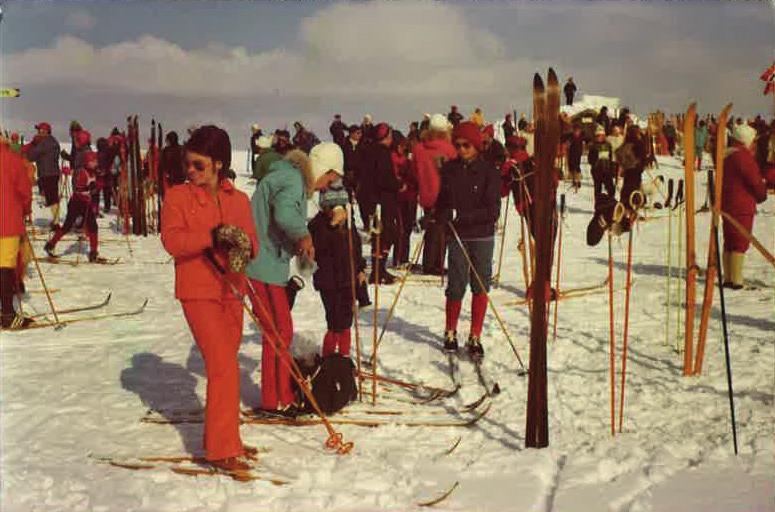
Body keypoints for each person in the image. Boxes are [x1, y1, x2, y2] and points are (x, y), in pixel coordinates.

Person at [161, 125, 258, 471]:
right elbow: (172, 242)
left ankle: (228, 436)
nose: (190, 171)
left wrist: (241, 247)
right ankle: (220, 450)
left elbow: (252, 244)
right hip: (197, 291)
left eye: (198, 165)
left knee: (225, 366)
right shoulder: (178, 197)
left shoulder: (239, 200)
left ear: (219, 164)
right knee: (223, 366)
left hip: (232, 290)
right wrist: (211, 236)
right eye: (188, 164)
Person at [420, 122, 500, 359]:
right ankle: (450, 331)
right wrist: (441, 213)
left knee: (480, 284)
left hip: (482, 235)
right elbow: (442, 200)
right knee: (456, 285)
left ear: (476, 145)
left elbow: (492, 210)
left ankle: (475, 335)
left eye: (466, 145)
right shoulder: (450, 169)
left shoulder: (489, 171)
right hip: (457, 236)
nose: (462, 149)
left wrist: (462, 217)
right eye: (458, 145)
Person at [245, 148, 314, 416]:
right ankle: (278, 397)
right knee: (280, 330)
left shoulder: (280, 175)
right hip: (265, 265)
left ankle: (274, 397)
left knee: (274, 331)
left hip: (263, 262)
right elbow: (285, 215)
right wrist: (303, 235)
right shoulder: (293, 179)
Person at [307, 142, 366, 357]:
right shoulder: (317, 226)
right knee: (335, 322)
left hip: (348, 279)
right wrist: (330, 225)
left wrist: (360, 268)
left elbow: (356, 247)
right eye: (333, 208)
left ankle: (343, 357)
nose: (337, 213)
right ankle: (330, 358)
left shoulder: (349, 226)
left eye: (340, 208)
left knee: (347, 321)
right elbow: (316, 251)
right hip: (329, 282)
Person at [720, 124, 768, 290]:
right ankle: (737, 280)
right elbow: (754, 180)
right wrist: (762, 193)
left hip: (726, 203)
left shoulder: (726, 155)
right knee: (740, 241)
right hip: (742, 204)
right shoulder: (743, 157)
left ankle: (728, 277)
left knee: (730, 241)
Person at [413, 114, 457, 276]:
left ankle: (429, 263)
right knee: (443, 230)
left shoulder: (419, 148)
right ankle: (436, 264)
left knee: (432, 228)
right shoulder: (449, 149)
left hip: (426, 194)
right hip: (444, 194)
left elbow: (414, 171)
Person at [44, 151, 102, 262]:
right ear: (88, 162)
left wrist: (97, 185)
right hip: (76, 203)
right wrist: (90, 188)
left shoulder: (93, 172)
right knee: (67, 226)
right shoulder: (82, 173)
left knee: (93, 226)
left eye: (96, 161)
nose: (95, 163)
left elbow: (95, 186)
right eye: (93, 161)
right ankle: (50, 245)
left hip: (86, 203)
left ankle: (93, 251)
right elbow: (79, 189)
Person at [0, 134, 33, 329]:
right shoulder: (13, 160)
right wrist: (26, 209)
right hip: (8, 222)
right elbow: (25, 191)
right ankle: (7, 313)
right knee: (5, 266)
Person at [367, 123, 400, 284]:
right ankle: (378, 271)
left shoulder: (370, 150)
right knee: (386, 234)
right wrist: (399, 185)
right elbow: (384, 178)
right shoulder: (382, 153)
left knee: (379, 235)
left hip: (373, 199)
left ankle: (378, 270)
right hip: (383, 200)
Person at [22, 122, 61, 228]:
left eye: (40, 130)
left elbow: (31, 155)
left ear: (45, 131)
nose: (38, 132)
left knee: (52, 198)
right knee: (53, 197)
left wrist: (32, 145)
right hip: (53, 172)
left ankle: (56, 223)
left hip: (47, 173)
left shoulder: (45, 143)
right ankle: (55, 220)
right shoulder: (53, 141)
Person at [392, 132, 416, 267]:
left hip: (410, 196)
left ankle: (404, 258)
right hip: (400, 197)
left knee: (407, 228)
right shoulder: (394, 159)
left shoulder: (406, 159)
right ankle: (399, 258)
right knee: (401, 229)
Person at [587, 125, 616, 197]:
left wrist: (612, 168)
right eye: (598, 136)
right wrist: (594, 163)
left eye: (601, 135)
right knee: (598, 189)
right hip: (597, 170)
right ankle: (598, 204)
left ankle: (610, 202)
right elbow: (590, 159)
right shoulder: (593, 146)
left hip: (607, 169)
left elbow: (611, 157)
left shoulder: (608, 145)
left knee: (611, 188)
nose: (600, 137)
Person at [342, 125, 363, 197]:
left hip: (359, 174)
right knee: (348, 196)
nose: (360, 135)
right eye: (358, 133)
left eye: (360, 133)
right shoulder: (344, 144)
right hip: (347, 173)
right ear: (351, 134)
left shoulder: (362, 144)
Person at [565, 124, 585, 189]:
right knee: (572, 167)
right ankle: (574, 180)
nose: (576, 132)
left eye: (578, 131)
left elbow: (586, 141)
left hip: (577, 154)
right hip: (571, 154)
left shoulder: (581, 137)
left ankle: (578, 180)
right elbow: (566, 142)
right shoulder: (570, 136)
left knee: (577, 167)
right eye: (575, 131)